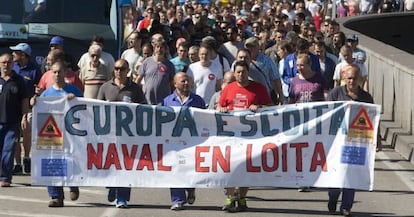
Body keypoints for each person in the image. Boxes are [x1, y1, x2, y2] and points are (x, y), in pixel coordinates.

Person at [327, 64, 382, 217]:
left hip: (357, 143)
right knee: (336, 177)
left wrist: (377, 138)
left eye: (355, 78)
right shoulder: (335, 94)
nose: (351, 81)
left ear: (359, 79)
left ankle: (346, 207)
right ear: (344, 78)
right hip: (337, 143)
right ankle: (332, 197)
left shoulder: (366, 97)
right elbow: (326, 116)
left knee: (351, 175)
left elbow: (374, 119)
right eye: (349, 78)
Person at [217, 60, 272, 212]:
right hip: (230, 136)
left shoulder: (258, 88)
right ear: (234, 73)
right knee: (229, 167)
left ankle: (241, 198)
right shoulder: (228, 89)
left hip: (251, 137)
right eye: (238, 72)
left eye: (244, 72)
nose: (241, 75)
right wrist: (221, 108)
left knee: (246, 168)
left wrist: (259, 107)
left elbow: (270, 107)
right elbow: (219, 105)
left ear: (248, 73)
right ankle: (229, 198)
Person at [31, 61, 82, 207]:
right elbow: (40, 109)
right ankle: (56, 196)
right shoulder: (47, 93)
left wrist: (76, 100)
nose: (57, 74)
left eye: (60, 72)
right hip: (52, 134)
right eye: (54, 72)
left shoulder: (74, 90)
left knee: (71, 159)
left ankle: (73, 184)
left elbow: (85, 109)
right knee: (51, 162)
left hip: (71, 134)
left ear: (65, 73)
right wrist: (34, 101)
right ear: (50, 73)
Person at [97, 59, 146, 208]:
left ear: (128, 70)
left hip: (128, 135)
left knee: (126, 166)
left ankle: (122, 197)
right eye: (117, 68)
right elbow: (96, 108)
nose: (119, 71)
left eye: (122, 68)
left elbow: (144, 108)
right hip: (109, 134)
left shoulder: (135, 88)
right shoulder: (105, 87)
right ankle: (112, 186)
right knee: (111, 164)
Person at [162, 72, 206, 210]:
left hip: (193, 141)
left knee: (190, 169)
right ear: (175, 84)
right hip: (174, 143)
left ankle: (190, 187)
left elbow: (205, 119)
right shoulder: (167, 101)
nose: (186, 83)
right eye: (183, 81)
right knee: (175, 169)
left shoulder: (198, 100)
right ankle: (177, 199)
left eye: (188, 81)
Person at [9, 43, 41, 174]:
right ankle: (17, 163)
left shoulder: (35, 69)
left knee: (26, 132)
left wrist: (36, 95)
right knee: (15, 136)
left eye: (15, 52)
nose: (13, 54)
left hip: (28, 108)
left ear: (23, 55)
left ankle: (27, 158)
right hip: (13, 107)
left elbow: (40, 86)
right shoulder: (13, 68)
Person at [0, 53, 30, 187]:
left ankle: (6, 177)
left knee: (8, 149)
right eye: (3, 63)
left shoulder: (19, 80)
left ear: (13, 64)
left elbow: (24, 100)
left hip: (12, 121)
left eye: (8, 62)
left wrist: (24, 116)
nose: (6, 65)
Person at [244, 36, 284, 105]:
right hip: (247, 96)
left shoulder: (267, 60)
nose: (250, 49)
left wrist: (280, 95)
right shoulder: (240, 60)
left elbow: (276, 78)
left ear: (258, 47)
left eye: (252, 46)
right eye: (248, 47)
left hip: (266, 97)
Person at [136, 39, 175, 105]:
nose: (159, 49)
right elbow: (138, 80)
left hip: (164, 102)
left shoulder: (169, 65)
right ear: (154, 49)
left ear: (165, 50)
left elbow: (173, 84)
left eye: (161, 47)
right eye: (157, 47)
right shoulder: (146, 62)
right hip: (147, 101)